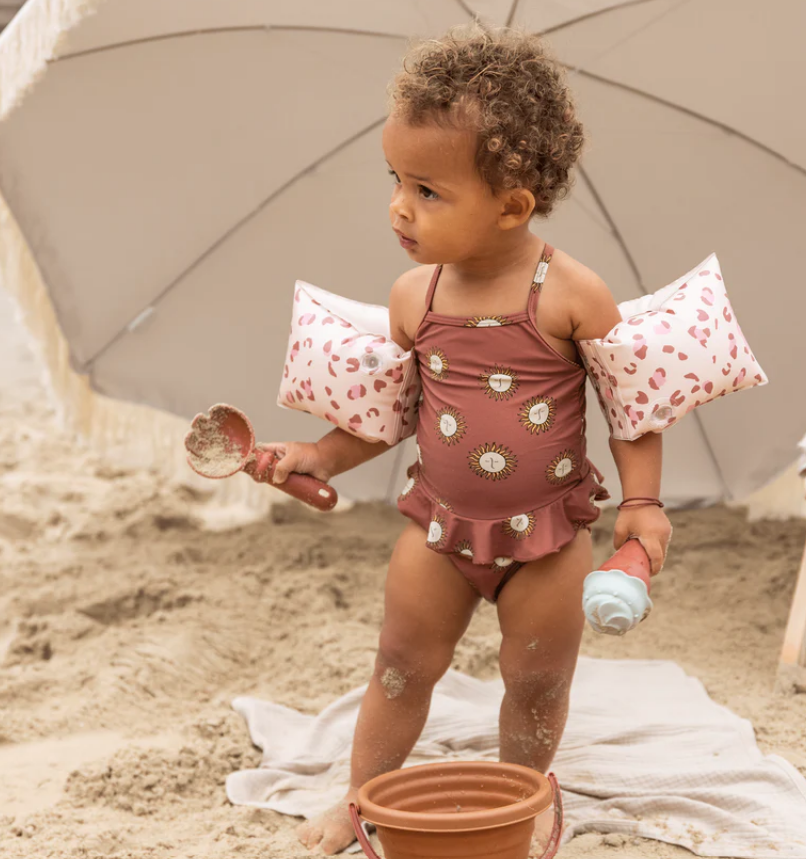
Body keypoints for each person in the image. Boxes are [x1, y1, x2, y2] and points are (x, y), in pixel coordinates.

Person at [263, 21, 672, 856]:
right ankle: (359, 798)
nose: (399, 207)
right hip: (439, 527)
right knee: (402, 666)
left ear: (513, 206)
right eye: (396, 180)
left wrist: (642, 504)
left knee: (536, 680)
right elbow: (387, 411)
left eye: (428, 190)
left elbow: (635, 405)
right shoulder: (417, 296)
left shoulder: (570, 294)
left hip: (549, 537)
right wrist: (319, 455)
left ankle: (519, 799)